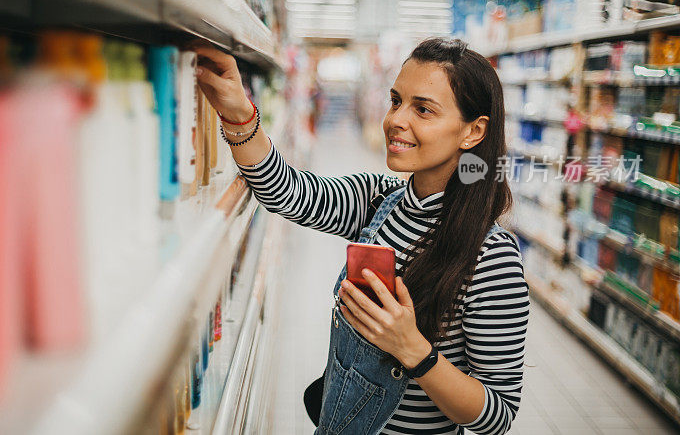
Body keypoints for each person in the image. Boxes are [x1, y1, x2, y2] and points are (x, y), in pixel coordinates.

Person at [191, 37, 529, 435]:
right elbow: (287, 192)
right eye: (395, 100)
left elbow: (498, 414)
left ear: (473, 131)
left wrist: (412, 349)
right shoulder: (379, 199)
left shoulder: (491, 256)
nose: (395, 120)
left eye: (423, 109)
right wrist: (238, 111)